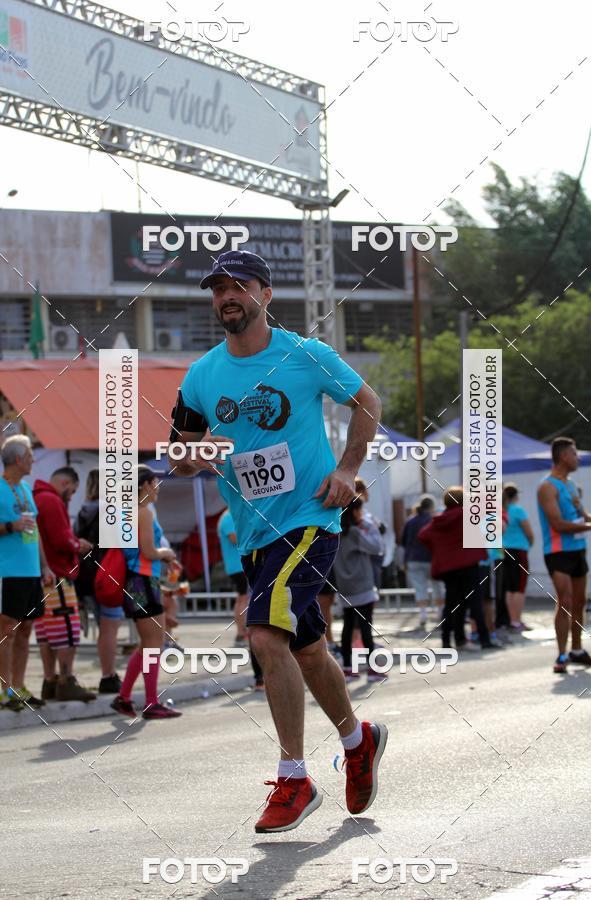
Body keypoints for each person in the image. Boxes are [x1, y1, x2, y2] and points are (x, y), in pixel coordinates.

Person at [170, 249, 387, 833]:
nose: (226, 297)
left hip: (310, 518)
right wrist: (196, 454)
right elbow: (180, 453)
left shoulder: (305, 354)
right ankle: (357, 738)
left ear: (265, 294)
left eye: (237, 286)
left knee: (265, 633)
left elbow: (368, 402)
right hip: (253, 534)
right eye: (217, 290)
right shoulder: (201, 375)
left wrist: (347, 468)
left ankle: (295, 777)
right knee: (307, 650)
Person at [111, 465, 182, 719]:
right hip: (143, 580)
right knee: (154, 644)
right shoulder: (143, 512)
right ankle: (151, 702)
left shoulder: (124, 511)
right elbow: (150, 552)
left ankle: (125, 697)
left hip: (133, 580)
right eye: (155, 483)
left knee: (147, 644)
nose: (158, 488)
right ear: (144, 485)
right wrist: (167, 554)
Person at [537, 437, 591, 673]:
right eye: (574, 454)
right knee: (564, 601)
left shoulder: (571, 484)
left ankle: (577, 650)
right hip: (557, 551)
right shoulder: (547, 486)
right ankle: (561, 654)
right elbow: (558, 524)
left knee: (580, 602)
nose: (578, 458)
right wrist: (590, 527)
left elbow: (582, 514)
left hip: (577, 549)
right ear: (563, 456)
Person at [33, 467, 96, 703]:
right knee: (67, 631)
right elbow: (62, 540)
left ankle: (50, 681)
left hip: (44, 578)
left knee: (47, 633)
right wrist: (77, 544)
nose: (71, 496)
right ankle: (66, 680)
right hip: (58, 576)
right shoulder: (50, 500)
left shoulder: (38, 497)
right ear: (65, 482)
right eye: (72, 490)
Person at [0, 435, 53, 710]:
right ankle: (4, 689)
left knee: (25, 629)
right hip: (7, 571)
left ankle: (18, 686)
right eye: (31, 455)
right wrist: (10, 527)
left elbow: (35, 529)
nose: (34, 459)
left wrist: (44, 566)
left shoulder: (25, 488)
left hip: (31, 570)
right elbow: (17, 525)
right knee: (6, 629)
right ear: (19, 459)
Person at [418, 487, 500, 651]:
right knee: (474, 602)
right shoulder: (468, 514)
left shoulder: (439, 520)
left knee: (452, 604)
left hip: (448, 567)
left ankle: (448, 640)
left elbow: (423, 536)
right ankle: (484, 640)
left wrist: (439, 548)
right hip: (469, 564)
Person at [74, 468, 123, 694]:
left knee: (102, 625)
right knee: (109, 627)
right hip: (108, 574)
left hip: (85, 576)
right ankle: (109, 675)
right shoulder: (110, 510)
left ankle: (107, 673)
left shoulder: (82, 512)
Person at [334, 497, 385, 682]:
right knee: (366, 627)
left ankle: (348, 668)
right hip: (362, 585)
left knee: (348, 626)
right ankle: (373, 669)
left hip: (345, 587)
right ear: (355, 512)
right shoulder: (355, 533)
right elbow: (377, 547)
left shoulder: (336, 533)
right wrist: (369, 525)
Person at [217, 507, 264, 690]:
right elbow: (235, 538)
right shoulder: (229, 516)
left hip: (238, 564)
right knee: (244, 599)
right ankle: (241, 631)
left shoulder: (230, 515)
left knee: (242, 598)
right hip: (238, 564)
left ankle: (241, 631)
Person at [400, 494, 443, 628]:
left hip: (413, 558)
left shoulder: (410, 521)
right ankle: (440, 612)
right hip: (432, 558)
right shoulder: (434, 520)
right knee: (438, 586)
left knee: (420, 588)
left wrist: (404, 561)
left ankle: (423, 614)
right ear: (432, 507)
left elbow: (403, 542)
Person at [502, 483, 534, 632]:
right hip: (519, 550)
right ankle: (517, 621)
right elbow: (528, 531)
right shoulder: (517, 510)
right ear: (515, 496)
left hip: (504, 550)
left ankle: (511, 619)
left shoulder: (501, 510)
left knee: (509, 587)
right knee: (519, 587)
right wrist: (530, 542)